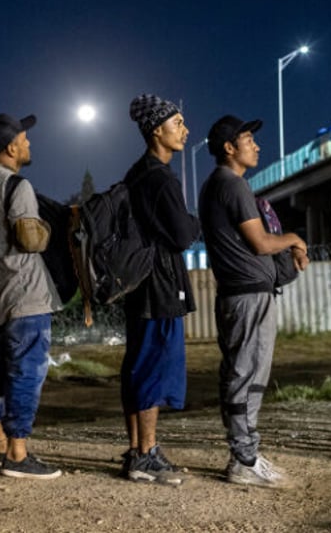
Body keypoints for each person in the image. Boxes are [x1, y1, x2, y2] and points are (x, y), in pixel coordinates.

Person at [198, 115, 308, 488]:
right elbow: (261, 243)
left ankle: (246, 452)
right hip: (246, 297)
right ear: (229, 148)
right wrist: (294, 238)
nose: (256, 145)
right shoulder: (233, 186)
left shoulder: (220, 185)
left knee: (244, 373)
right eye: (248, 139)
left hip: (243, 295)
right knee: (246, 375)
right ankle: (243, 458)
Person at [0, 113, 62, 480]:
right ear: (10, 147)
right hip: (24, 296)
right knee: (27, 372)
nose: (28, 144)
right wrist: (50, 226)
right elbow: (29, 239)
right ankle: (18, 454)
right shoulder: (16, 185)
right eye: (24, 139)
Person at [119, 94, 200, 485]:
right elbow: (183, 235)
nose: (184, 130)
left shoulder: (135, 173)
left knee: (136, 364)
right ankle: (147, 454)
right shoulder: (162, 177)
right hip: (161, 283)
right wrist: (195, 222)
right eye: (178, 123)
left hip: (136, 283)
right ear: (157, 130)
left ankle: (137, 450)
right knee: (154, 366)